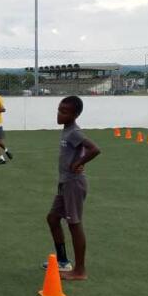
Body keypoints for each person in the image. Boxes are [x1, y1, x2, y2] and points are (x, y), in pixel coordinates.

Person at [44, 95, 101, 280]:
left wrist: (79, 162)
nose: (59, 114)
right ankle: (62, 261)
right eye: (59, 110)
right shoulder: (67, 130)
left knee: (74, 224)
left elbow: (94, 149)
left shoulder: (74, 132)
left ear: (75, 115)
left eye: (64, 112)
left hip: (74, 184)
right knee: (52, 219)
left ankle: (80, 270)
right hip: (65, 183)